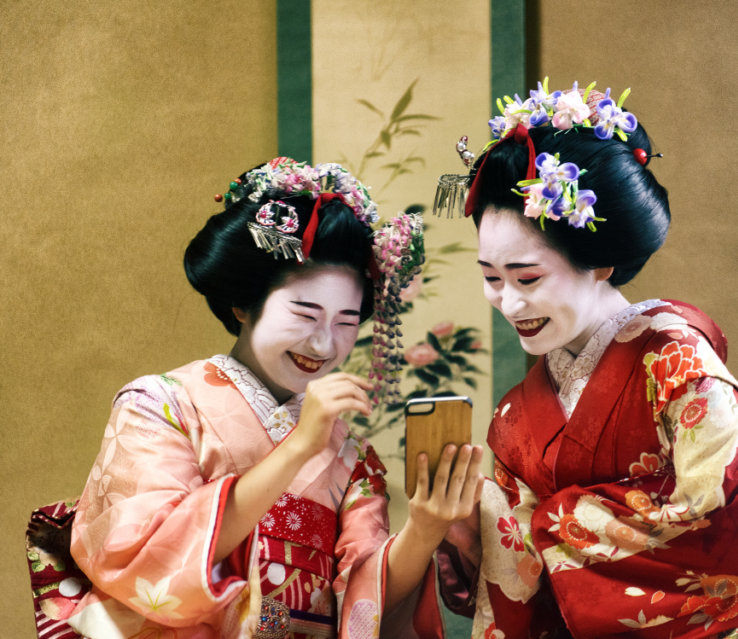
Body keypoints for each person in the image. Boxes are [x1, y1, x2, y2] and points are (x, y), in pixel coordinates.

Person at [434, 81, 738, 639]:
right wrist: (470, 536)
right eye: (491, 278)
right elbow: (514, 581)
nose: (508, 301)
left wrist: (547, 527)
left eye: (527, 277)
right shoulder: (516, 418)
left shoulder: (675, 357)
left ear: (601, 261)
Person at [63, 158, 484, 639]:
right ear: (242, 304)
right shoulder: (159, 405)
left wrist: (425, 529)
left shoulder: (350, 454)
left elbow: (366, 595)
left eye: (346, 322)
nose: (324, 345)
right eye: (305, 313)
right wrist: (300, 447)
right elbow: (144, 556)